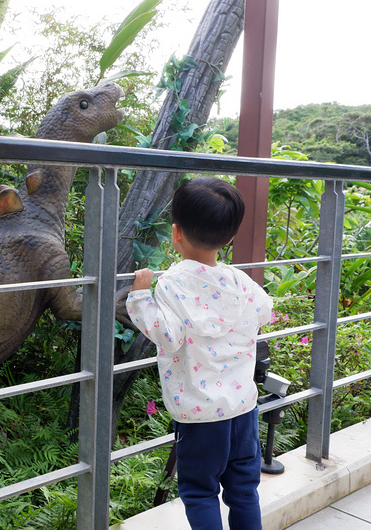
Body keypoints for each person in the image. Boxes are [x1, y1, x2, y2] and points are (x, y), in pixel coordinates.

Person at [126, 176, 273, 530]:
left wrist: (140, 297)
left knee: (199, 492)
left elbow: (167, 335)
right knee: (243, 492)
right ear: (231, 236)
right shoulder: (239, 282)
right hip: (242, 409)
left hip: (200, 414)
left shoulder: (173, 285)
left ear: (176, 233)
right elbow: (265, 311)